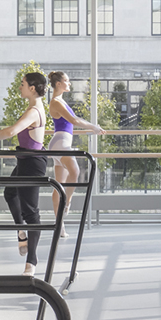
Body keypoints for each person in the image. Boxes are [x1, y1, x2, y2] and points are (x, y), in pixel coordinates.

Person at [0, 71, 48, 277]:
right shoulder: (32, 107)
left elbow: (11, 131)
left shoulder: (34, 110)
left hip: (32, 163)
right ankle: (21, 232)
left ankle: (31, 262)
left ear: (32, 88)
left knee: (31, 213)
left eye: (23, 84)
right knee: (10, 194)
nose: (20, 87)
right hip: (25, 159)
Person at [47, 71, 103, 238]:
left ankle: (60, 226)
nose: (69, 84)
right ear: (58, 84)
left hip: (60, 143)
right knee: (75, 172)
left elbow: (74, 119)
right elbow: (74, 121)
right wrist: (94, 127)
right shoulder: (56, 102)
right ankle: (67, 202)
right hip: (60, 144)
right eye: (67, 81)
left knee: (59, 185)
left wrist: (93, 127)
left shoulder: (60, 101)